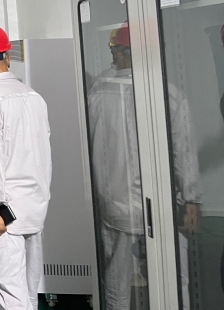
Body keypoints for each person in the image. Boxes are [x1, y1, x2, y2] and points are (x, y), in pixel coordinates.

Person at [0, 23, 51, 310]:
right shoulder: (34, 97)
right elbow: (43, 155)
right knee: (28, 295)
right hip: (34, 210)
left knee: (10, 300)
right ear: (7, 57)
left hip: (5, 216)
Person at [85, 25, 149, 310]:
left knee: (116, 276)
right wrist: (190, 195)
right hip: (147, 200)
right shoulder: (159, 87)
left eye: (116, 51)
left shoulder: (101, 88)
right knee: (172, 273)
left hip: (113, 196)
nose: (114, 57)